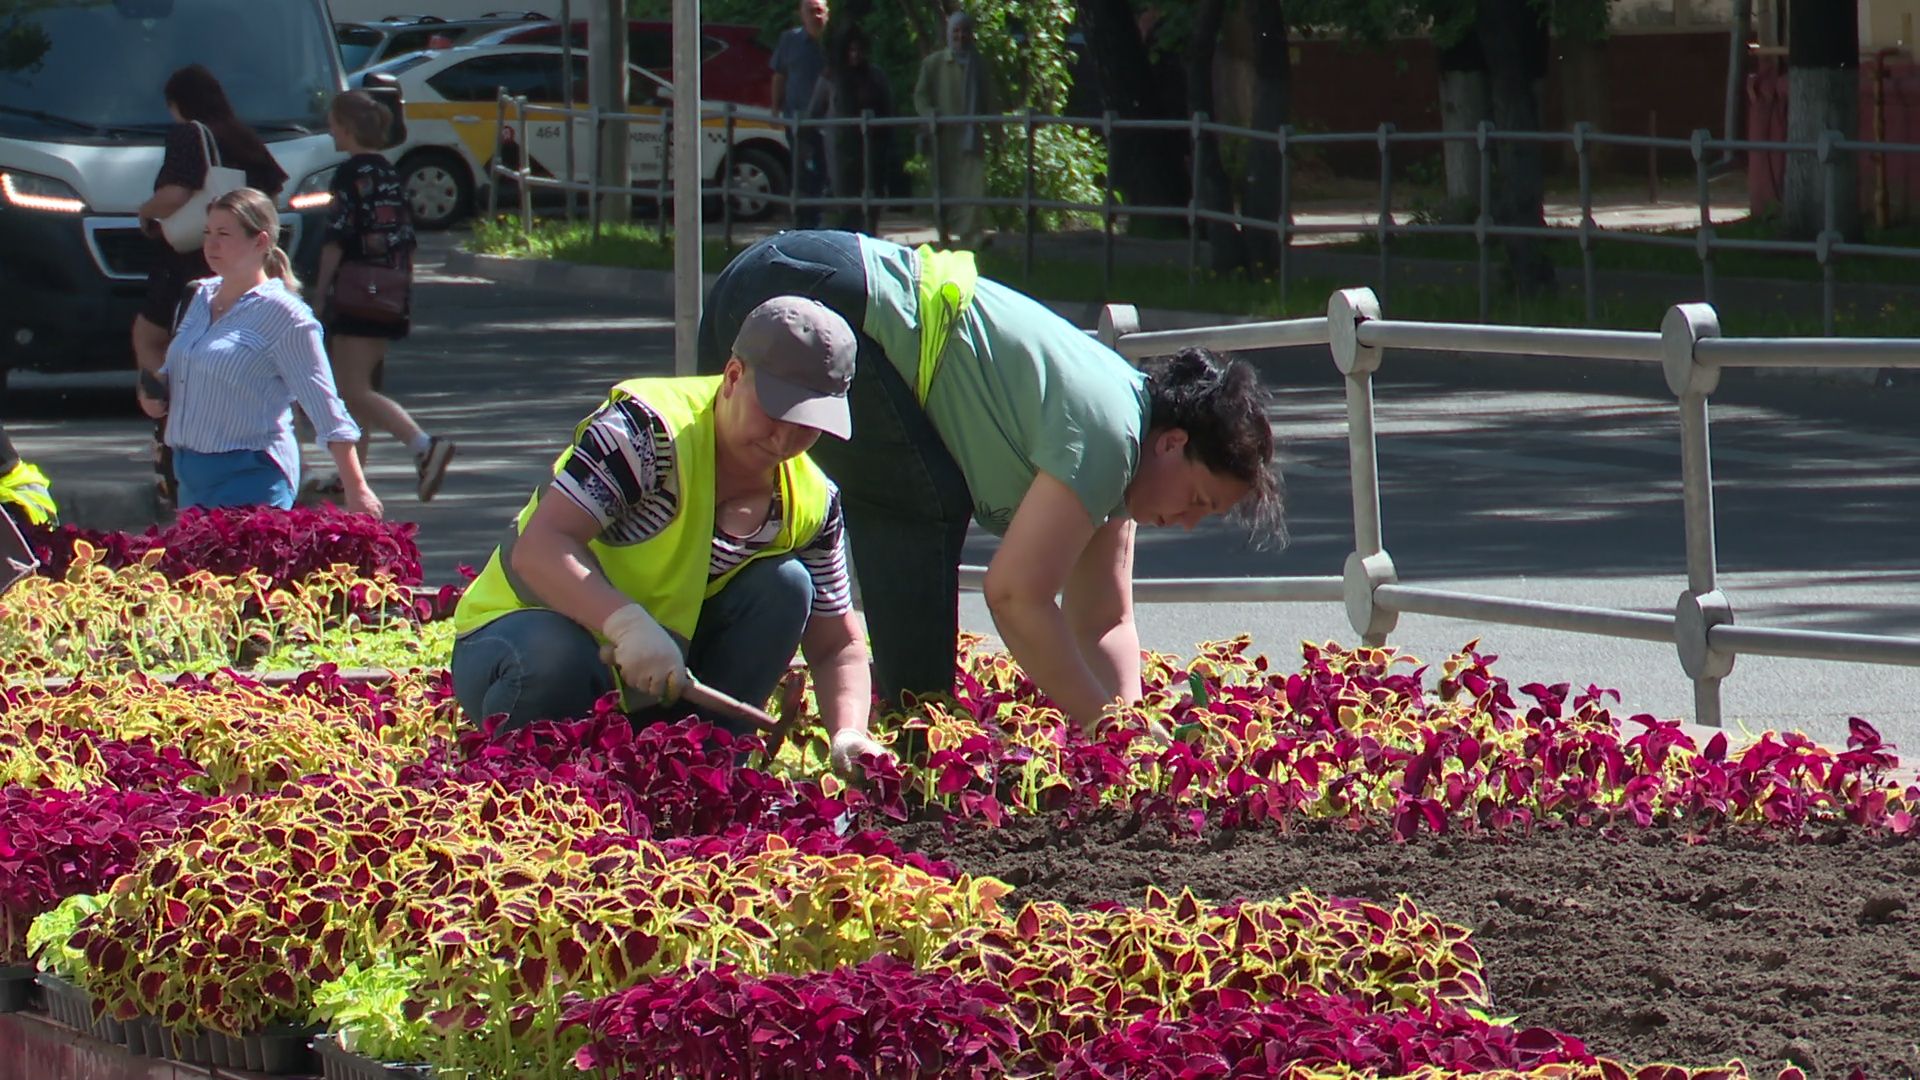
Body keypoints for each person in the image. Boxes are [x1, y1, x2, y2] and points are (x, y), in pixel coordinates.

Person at [696, 231, 1284, 734]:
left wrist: (1129, 728)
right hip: (810, 298)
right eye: (1199, 501)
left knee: (736, 518)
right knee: (926, 503)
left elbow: (1104, 620)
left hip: (780, 275)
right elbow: (1014, 596)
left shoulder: (1118, 461)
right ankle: (914, 733)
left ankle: (700, 705)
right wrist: (1101, 727)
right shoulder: (1108, 435)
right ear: (1173, 442)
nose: (1186, 522)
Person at [451, 297, 888, 777]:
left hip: (657, 681)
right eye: (776, 410)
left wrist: (850, 732)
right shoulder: (643, 434)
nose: (785, 439)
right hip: (523, 639)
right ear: (734, 376)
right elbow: (540, 547)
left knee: (787, 585)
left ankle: (699, 772)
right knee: (556, 657)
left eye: (808, 423)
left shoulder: (813, 499)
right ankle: (542, 779)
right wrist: (625, 625)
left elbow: (836, 645)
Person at [157, 188, 382, 518]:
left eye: (224, 234)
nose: (211, 244)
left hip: (253, 474)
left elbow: (325, 407)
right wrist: (156, 392)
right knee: (196, 571)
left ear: (260, 241)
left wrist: (356, 488)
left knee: (247, 570)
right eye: (207, 232)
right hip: (190, 475)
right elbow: (180, 371)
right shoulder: (198, 297)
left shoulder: (286, 316)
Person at [133, 65, 290, 510]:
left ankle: (164, 421)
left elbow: (177, 192)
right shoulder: (241, 136)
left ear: (178, 102)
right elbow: (272, 192)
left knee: (150, 335)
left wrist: (145, 212)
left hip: (188, 259)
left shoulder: (189, 135)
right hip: (239, 261)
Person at [308, 90, 455, 503]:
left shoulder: (350, 174)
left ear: (348, 128)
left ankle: (424, 446)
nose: (330, 130)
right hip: (389, 291)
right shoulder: (390, 173)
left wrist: (319, 295)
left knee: (351, 389)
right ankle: (351, 475)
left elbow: (337, 238)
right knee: (361, 384)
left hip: (356, 290)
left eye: (334, 123)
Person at [913, 11, 995, 248]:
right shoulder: (933, 63)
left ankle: (971, 235)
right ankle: (944, 234)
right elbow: (920, 96)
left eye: (965, 31)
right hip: (943, 136)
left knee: (973, 185)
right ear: (948, 34)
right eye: (955, 31)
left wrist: (997, 129)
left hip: (971, 135)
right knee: (942, 185)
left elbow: (990, 98)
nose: (960, 36)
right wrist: (930, 115)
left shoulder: (979, 64)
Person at [808, 26, 893, 235]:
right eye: (850, 50)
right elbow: (814, 112)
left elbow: (889, 110)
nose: (855, 55)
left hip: (871, 150)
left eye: (859, 50)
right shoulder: (831, 78)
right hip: (841, 152)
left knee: (871, 201)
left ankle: (869, 239)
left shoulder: (876, 76)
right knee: (844, 203)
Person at [770, 0, 831, 229]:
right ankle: (803, 220)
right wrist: (775, 108)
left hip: (831, 121)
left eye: (820, 11)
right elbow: (779, 75)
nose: (816, 16)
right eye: (810, 11)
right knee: (802, 169)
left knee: (827, 171)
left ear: (827, 14)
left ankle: (823, 219)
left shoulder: (834, 42)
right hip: (798, 118)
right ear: (801, 14)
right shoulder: (790, 41)